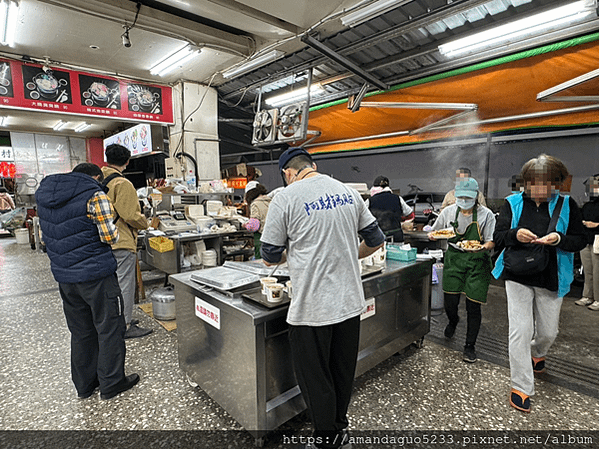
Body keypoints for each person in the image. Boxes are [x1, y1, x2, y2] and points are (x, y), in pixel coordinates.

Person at [260, 147, 385, 449]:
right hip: (349, 302)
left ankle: (325, 440)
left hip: (311, 307)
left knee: (315, 377)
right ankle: (340, 430)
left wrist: (302, 255)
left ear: (288, 174)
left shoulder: (285, 198)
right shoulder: (348, 192)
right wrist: (346, 254)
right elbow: (376, 239)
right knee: (342, 371)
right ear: (313, 166)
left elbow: (269, 255)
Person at [35, 163, 139, 400]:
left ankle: (84, 385)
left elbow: (45, 238)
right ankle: (112, 382)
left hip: (65, 277)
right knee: (109, 327)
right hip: (97, 275)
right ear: (95, 177)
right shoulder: (94, 194)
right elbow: (109, 236)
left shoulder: (45, 196)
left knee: (81, 331)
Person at [492, 154, 586, 413]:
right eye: (535, 184)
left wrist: (559, 239)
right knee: (519, 331)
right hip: (517, 275)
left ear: (556, 184)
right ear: (526, 183)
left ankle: (537, 352)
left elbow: (580, 239)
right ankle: (521, 386)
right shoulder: (512, 203)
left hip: (551, 277)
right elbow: (498, 237)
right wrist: (515, 234)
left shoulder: (567, 204)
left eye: (548, 184)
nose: (541, 190)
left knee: (548, 332)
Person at [428, 177, 495, 363]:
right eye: (461, 197)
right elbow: (435, 231)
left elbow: (490, 241)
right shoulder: (448, 212)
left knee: (473, 305)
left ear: (476, 197)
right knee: (450, 301)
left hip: (477, 260)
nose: (464, 201)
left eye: (468, 197)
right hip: (455, 258)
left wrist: (482, 247)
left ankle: (469, 346)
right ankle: (453, 320)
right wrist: (432, 236)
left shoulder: (486, 215)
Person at [101, 144, 152, 339]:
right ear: (127, 161)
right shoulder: (122, 183)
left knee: (112, 284)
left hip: (105, 239)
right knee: (125, 284)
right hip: (121, 240)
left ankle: (118, 319)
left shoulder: (101, 179)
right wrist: (145, 223)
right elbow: (130, 214)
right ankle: (126, 324)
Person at [366, 175, 414, 243]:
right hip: (396, 238)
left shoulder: (370, 201)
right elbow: (410, 215)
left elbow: (361, 216)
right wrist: (400, 219)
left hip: (378, 239)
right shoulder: (398, 198)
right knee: (397, 254)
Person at [576, 176, 599, 310]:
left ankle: (597, 299)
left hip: (598, 240)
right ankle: (587, 296)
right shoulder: (587, 205)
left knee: (597, 271)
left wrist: (596, 225)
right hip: (586, 240)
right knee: (588, 270)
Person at [243, 183, 271, 258]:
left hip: (262, 238)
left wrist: (245, 225)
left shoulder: (255, 204)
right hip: (273, 237)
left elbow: (254, 226)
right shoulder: (270, 201)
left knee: (261, 263)